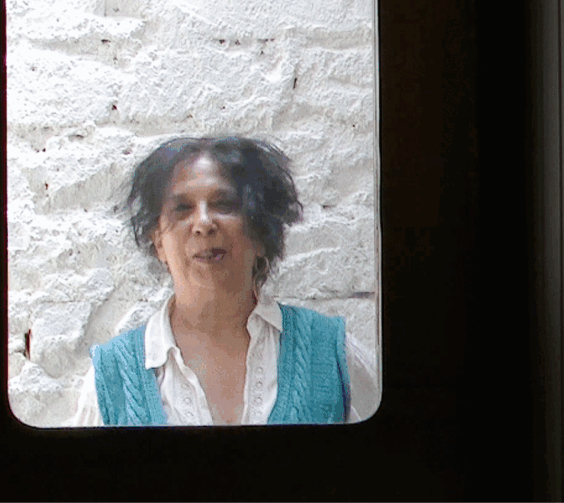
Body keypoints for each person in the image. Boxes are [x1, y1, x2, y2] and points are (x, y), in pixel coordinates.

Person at [72, 136, 378, 425]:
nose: (203, 223)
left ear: (261, 233)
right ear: (158, 242)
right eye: (182, 209)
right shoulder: (109, 381)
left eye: (224, 205)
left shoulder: (332, 355)